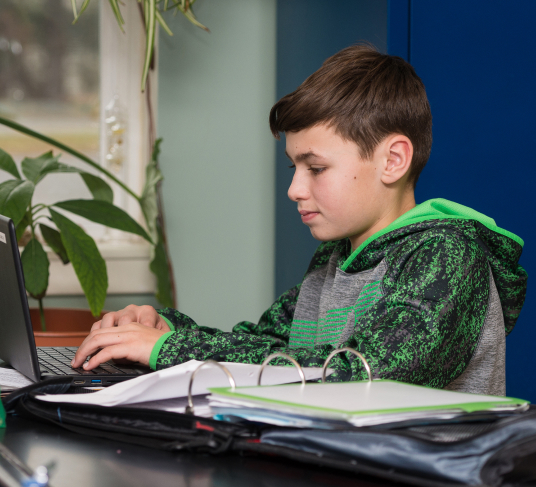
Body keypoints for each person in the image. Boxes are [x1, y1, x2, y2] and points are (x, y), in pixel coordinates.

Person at [72, 45, 527, 395]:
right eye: (294, 168)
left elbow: (365, 373)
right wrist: (163, 329)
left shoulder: (448, 256)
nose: (294, 189)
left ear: (392, 160)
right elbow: (262, 344)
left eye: (316, 167)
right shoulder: (336, 257)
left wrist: (171, 351)